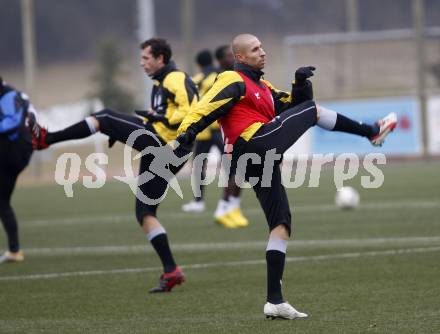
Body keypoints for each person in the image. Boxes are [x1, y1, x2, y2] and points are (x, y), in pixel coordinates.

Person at [176, 34, 397, 319]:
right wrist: (187, 132)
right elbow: (206, 108)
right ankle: (371, 131)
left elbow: (295, 106)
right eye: (255, 49)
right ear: (240, 57)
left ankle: (275, 301)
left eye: (262, 47)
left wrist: (300, 83)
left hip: (257, 157)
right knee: (314, 111)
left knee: (281, 224)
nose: (263, 52)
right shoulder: (232, 79)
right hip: (252, 143)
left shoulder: (263, 86)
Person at [33, 38, 198, 293]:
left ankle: (47, 139)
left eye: (146, 58)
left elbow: (192, 112)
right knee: (144, 213)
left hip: (167, 147)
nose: (141, 63)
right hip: (165, 150)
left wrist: (161, 117)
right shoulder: (160, 83)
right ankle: (171, 271)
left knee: (105, 116)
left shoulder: (174, 78)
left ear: (160, 58)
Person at [182, 46, 249, 229]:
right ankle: (229, 202)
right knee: (230, 164)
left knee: (199, 165)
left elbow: (191, 98)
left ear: (198, 63)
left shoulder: (198, 79)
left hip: (205, 129)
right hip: (219, 129)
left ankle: (200, 202)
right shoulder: (222, 76)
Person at [0, 77, 37, 264]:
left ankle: (15, 251)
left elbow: (13, 122)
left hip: (14, 151)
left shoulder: (8, 95)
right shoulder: (13, 94)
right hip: (19, 150)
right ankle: (14, 251)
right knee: (2, 201)